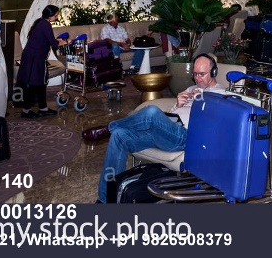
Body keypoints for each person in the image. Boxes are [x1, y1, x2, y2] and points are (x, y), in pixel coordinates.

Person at [92, 53, 226, 204]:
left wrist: (200, 102)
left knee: (151, 112)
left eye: (202, 74)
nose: (197, 78)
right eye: (195, 74)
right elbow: (175, 113)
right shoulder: (192, 88)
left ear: (213, 72)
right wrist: (178, 105)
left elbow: (213, 126)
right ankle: (104, 200)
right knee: (119, 136)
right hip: (168, 131)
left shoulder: (220, 95)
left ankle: (107, 128)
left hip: (185, 137)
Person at [17, 5, 68, 119]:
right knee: (33, 84)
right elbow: (54, 44)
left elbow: (47, 40)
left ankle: (43, 108)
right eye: (56, 15)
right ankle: (25, 111)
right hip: (34, 58)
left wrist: (58, 41)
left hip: (35, 57)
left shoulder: (41, 22)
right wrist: (64, 42)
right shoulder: (45, 25)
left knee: (40, 83)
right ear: (50, 16)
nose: (57, 17)